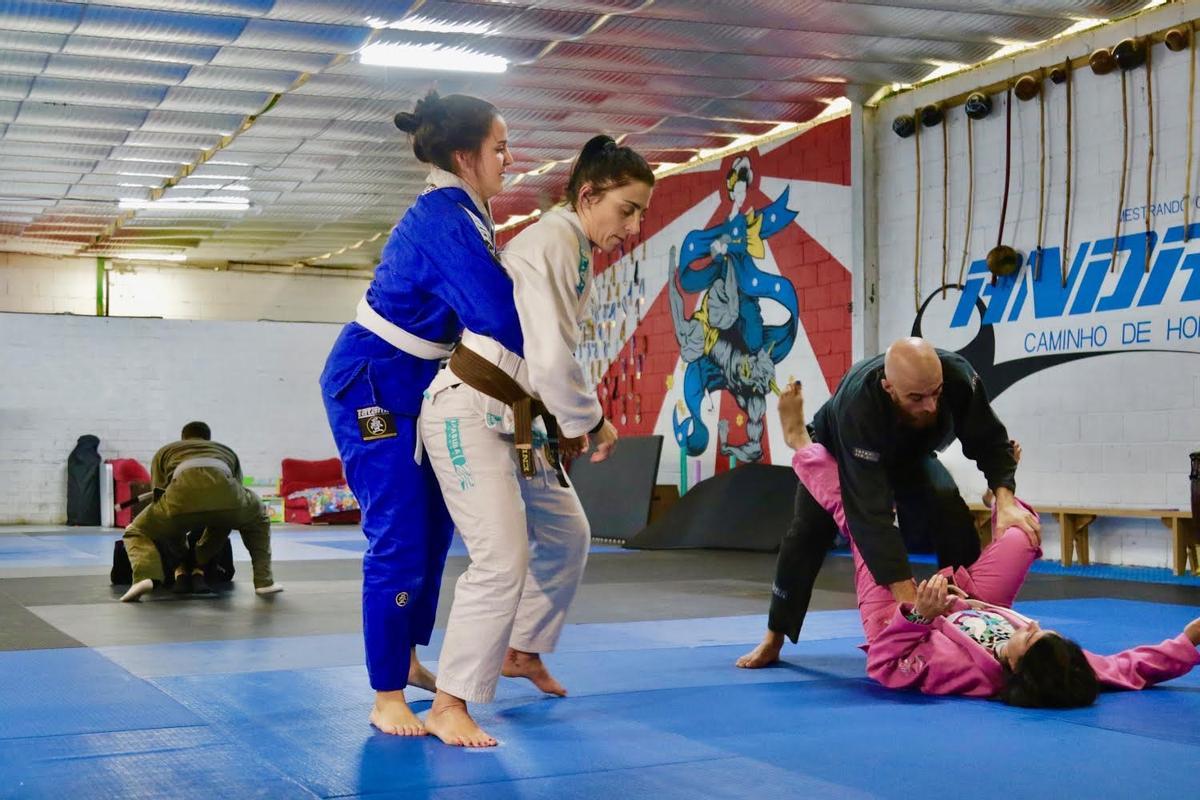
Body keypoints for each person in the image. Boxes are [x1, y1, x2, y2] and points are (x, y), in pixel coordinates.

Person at [418, 135, 654, 747]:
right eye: (626, 209)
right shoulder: (552, 240)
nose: (632, 226)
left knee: (568, 533)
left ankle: (521, 649)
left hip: (515, 418)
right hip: (466, 413)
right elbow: (548, 357)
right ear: (588, 195)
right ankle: (449, 702)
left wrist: (559, 422)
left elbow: (545, 361)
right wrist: (590, 420)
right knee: (502, 559)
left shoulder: (574, 247)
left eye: (642, 215)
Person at [779, 383, 1200, 704]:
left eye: (1032, 638)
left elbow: (884, 665)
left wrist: (920, 618)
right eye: (1044, 632)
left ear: (1014, 668)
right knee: (1024, 533)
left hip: (899, 620)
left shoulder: (956, 673)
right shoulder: (1065, 665)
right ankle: (1001, 503)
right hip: (968, 598)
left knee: (864, 521)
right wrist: (1189, 640)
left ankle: (800, 444)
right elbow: (1129, 668)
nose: (1033, 625)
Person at [319, 90, 524, 737]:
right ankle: (385, 694)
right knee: (400, 532)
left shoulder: (466, 213)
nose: (509, 158)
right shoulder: (444, 218)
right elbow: (495, 314)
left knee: (435, 528)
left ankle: (405, 658)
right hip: (371, 382)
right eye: (499, 148)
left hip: (415, 379)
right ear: (466, 156)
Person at [738, 337, 1036, 669]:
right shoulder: (859, 404)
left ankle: (965, 613)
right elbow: (870, 516)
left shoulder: (957, 377)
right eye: (916, 398)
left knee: (949, 507)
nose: (931, 407)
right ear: (888, 387)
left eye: (936, 394)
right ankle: (774, 636)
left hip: (909, 454)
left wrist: (1005, 501)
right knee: (807, 535)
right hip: (843, 449)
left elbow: (991, 441)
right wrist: (913, 608)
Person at [120, 421, 278, 601]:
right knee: (250, 518)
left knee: (136, 530)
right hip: (228, 501)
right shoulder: (225, 450)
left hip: (179, 503)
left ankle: (144, 577)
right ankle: (264, 582)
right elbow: (237, 486)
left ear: (183, 438)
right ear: (208, 440)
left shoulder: (166, 451)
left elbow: (158, 491)